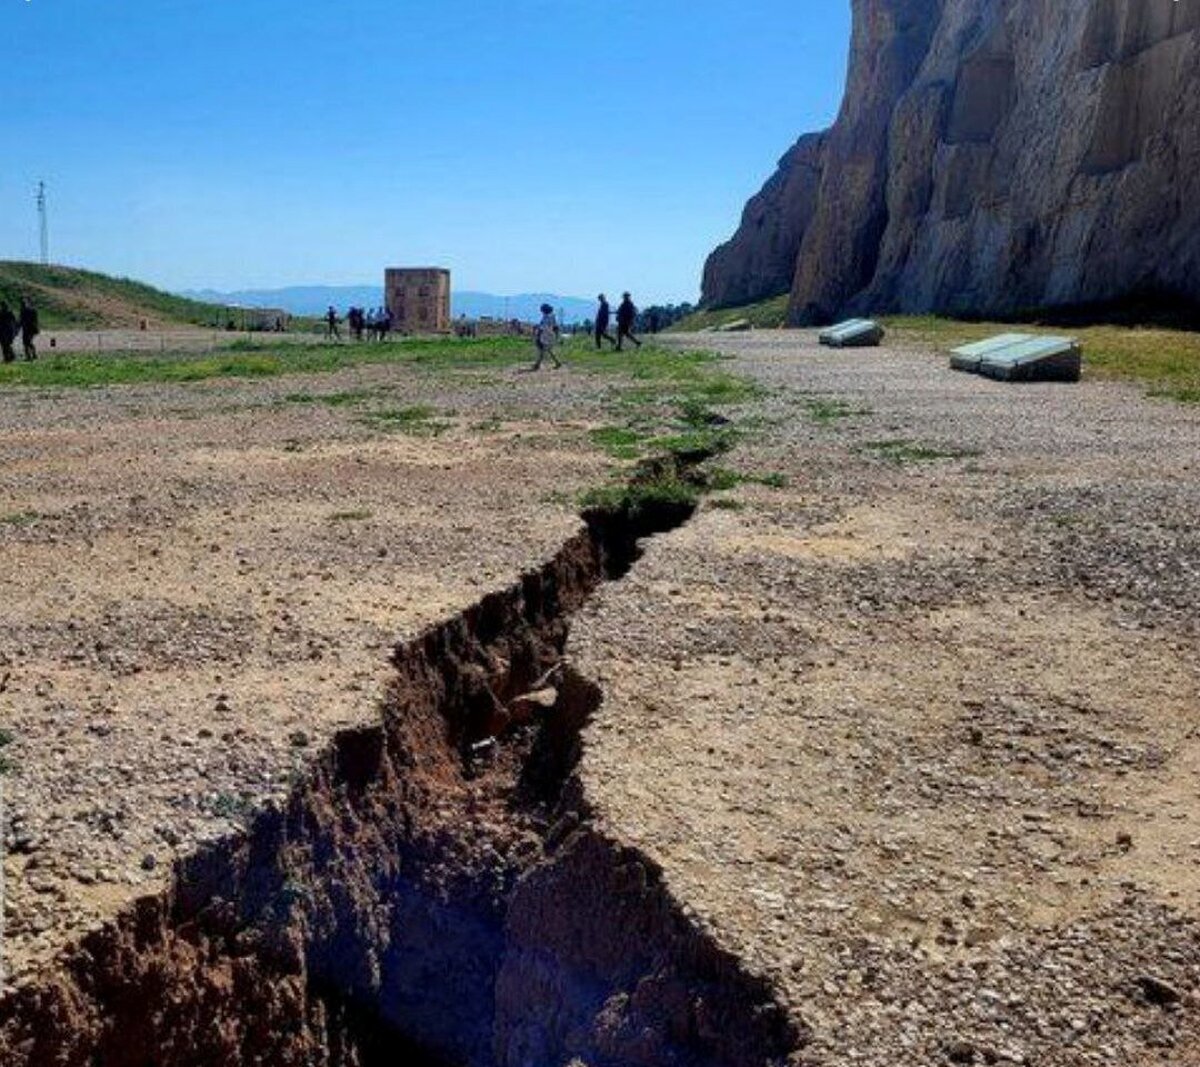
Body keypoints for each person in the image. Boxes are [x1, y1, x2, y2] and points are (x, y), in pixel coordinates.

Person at [530, 303, 562, 370]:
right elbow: (555, 327)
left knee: (542, 350)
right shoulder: (552, 316)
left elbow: (543, 327)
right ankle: (557, 362)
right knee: (547, 350)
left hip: (546, 336)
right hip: (550, 335)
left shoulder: (546, 317)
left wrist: (537, 332)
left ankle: (537, 365)